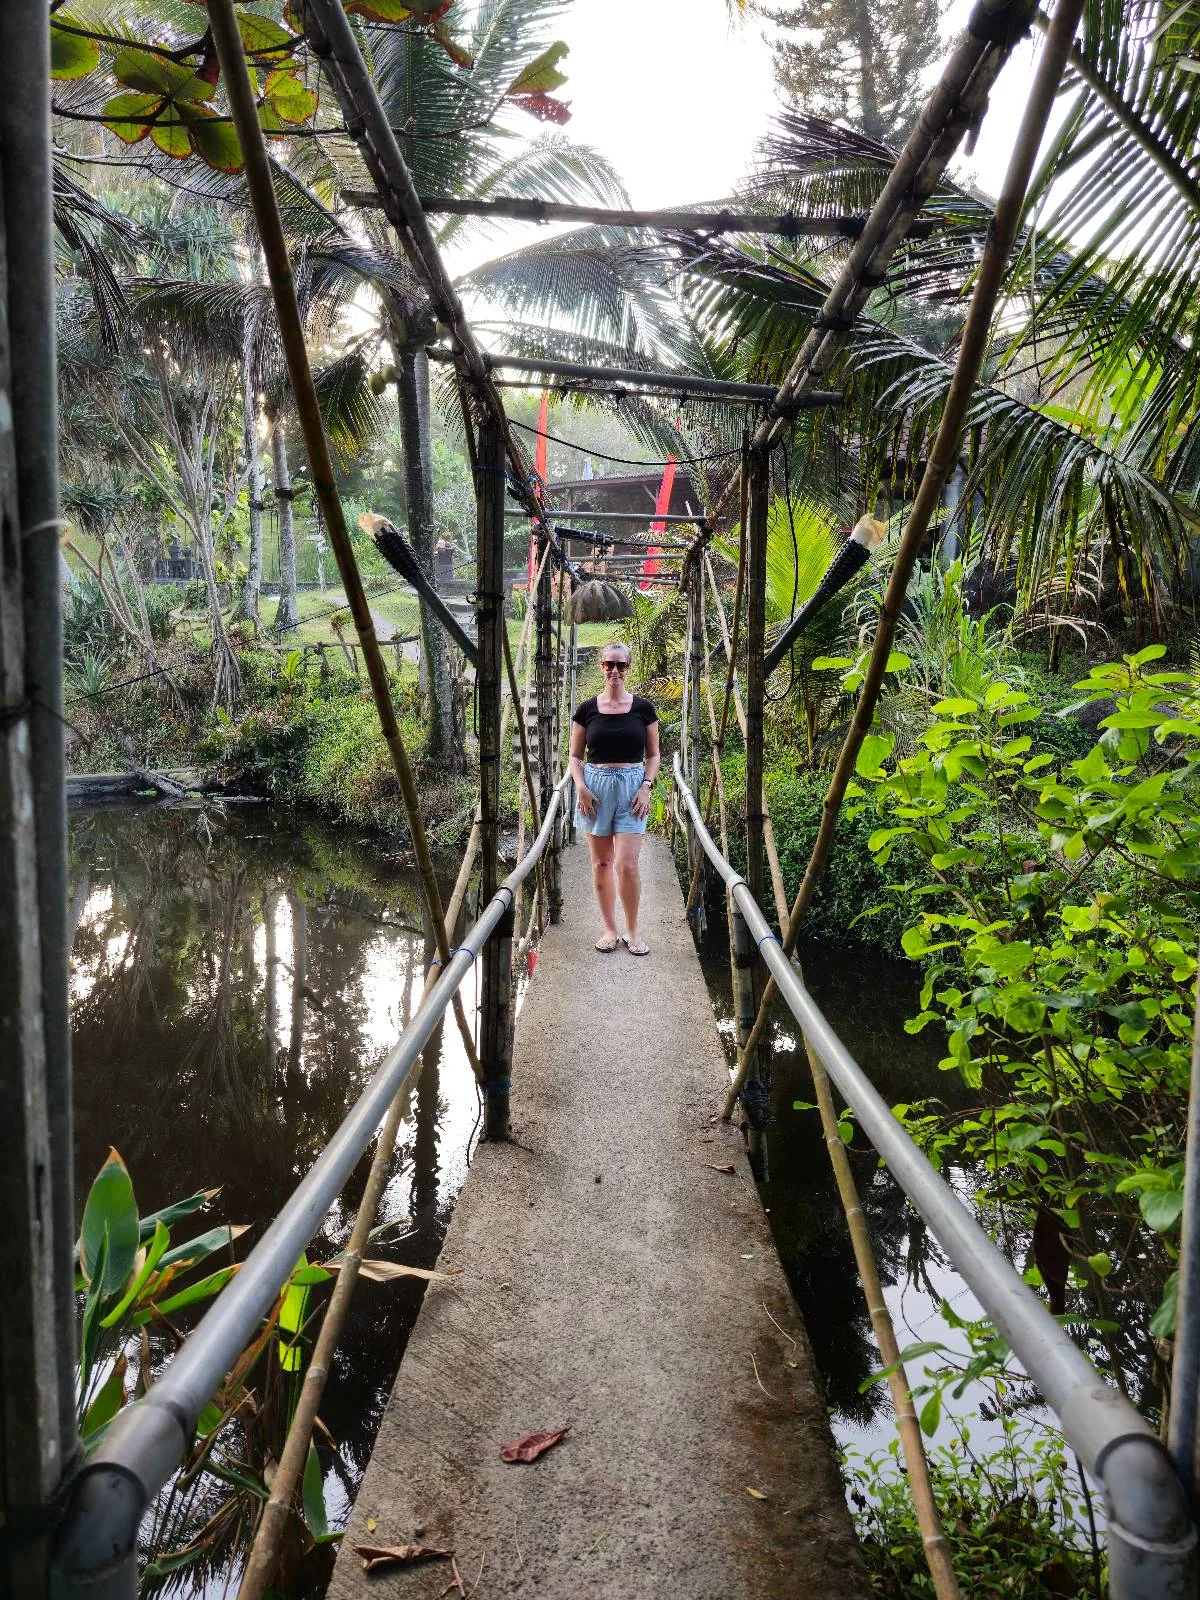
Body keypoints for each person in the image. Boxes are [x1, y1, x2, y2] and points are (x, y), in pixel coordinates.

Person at [568, 642, 661, 956]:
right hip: (595, 788)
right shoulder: (587, 709)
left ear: (628, 668)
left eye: (621, 665)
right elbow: (574, 756)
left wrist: (646, 786)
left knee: (627, 865)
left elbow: (654, 754)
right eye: (610, 664)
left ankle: (633, 931)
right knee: (602, 862)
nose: (615, 670)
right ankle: (610, 929)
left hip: (633, 788)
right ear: (601, 666)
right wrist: (580, 786)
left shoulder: (643, 709)